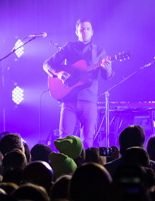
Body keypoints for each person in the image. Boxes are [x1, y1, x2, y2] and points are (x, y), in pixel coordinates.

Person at [43, 18, 113, 148]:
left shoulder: (98, 51)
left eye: (87, 28)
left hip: (89, 100)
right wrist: (58, 73)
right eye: (81, 29)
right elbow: (47, 64)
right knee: (64, 140)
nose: (84, 31)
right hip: (69, 100)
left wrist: (107, 68)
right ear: (77, 32)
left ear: (92, 32)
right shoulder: (69, 47)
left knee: (88, 141)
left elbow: (106, 76)